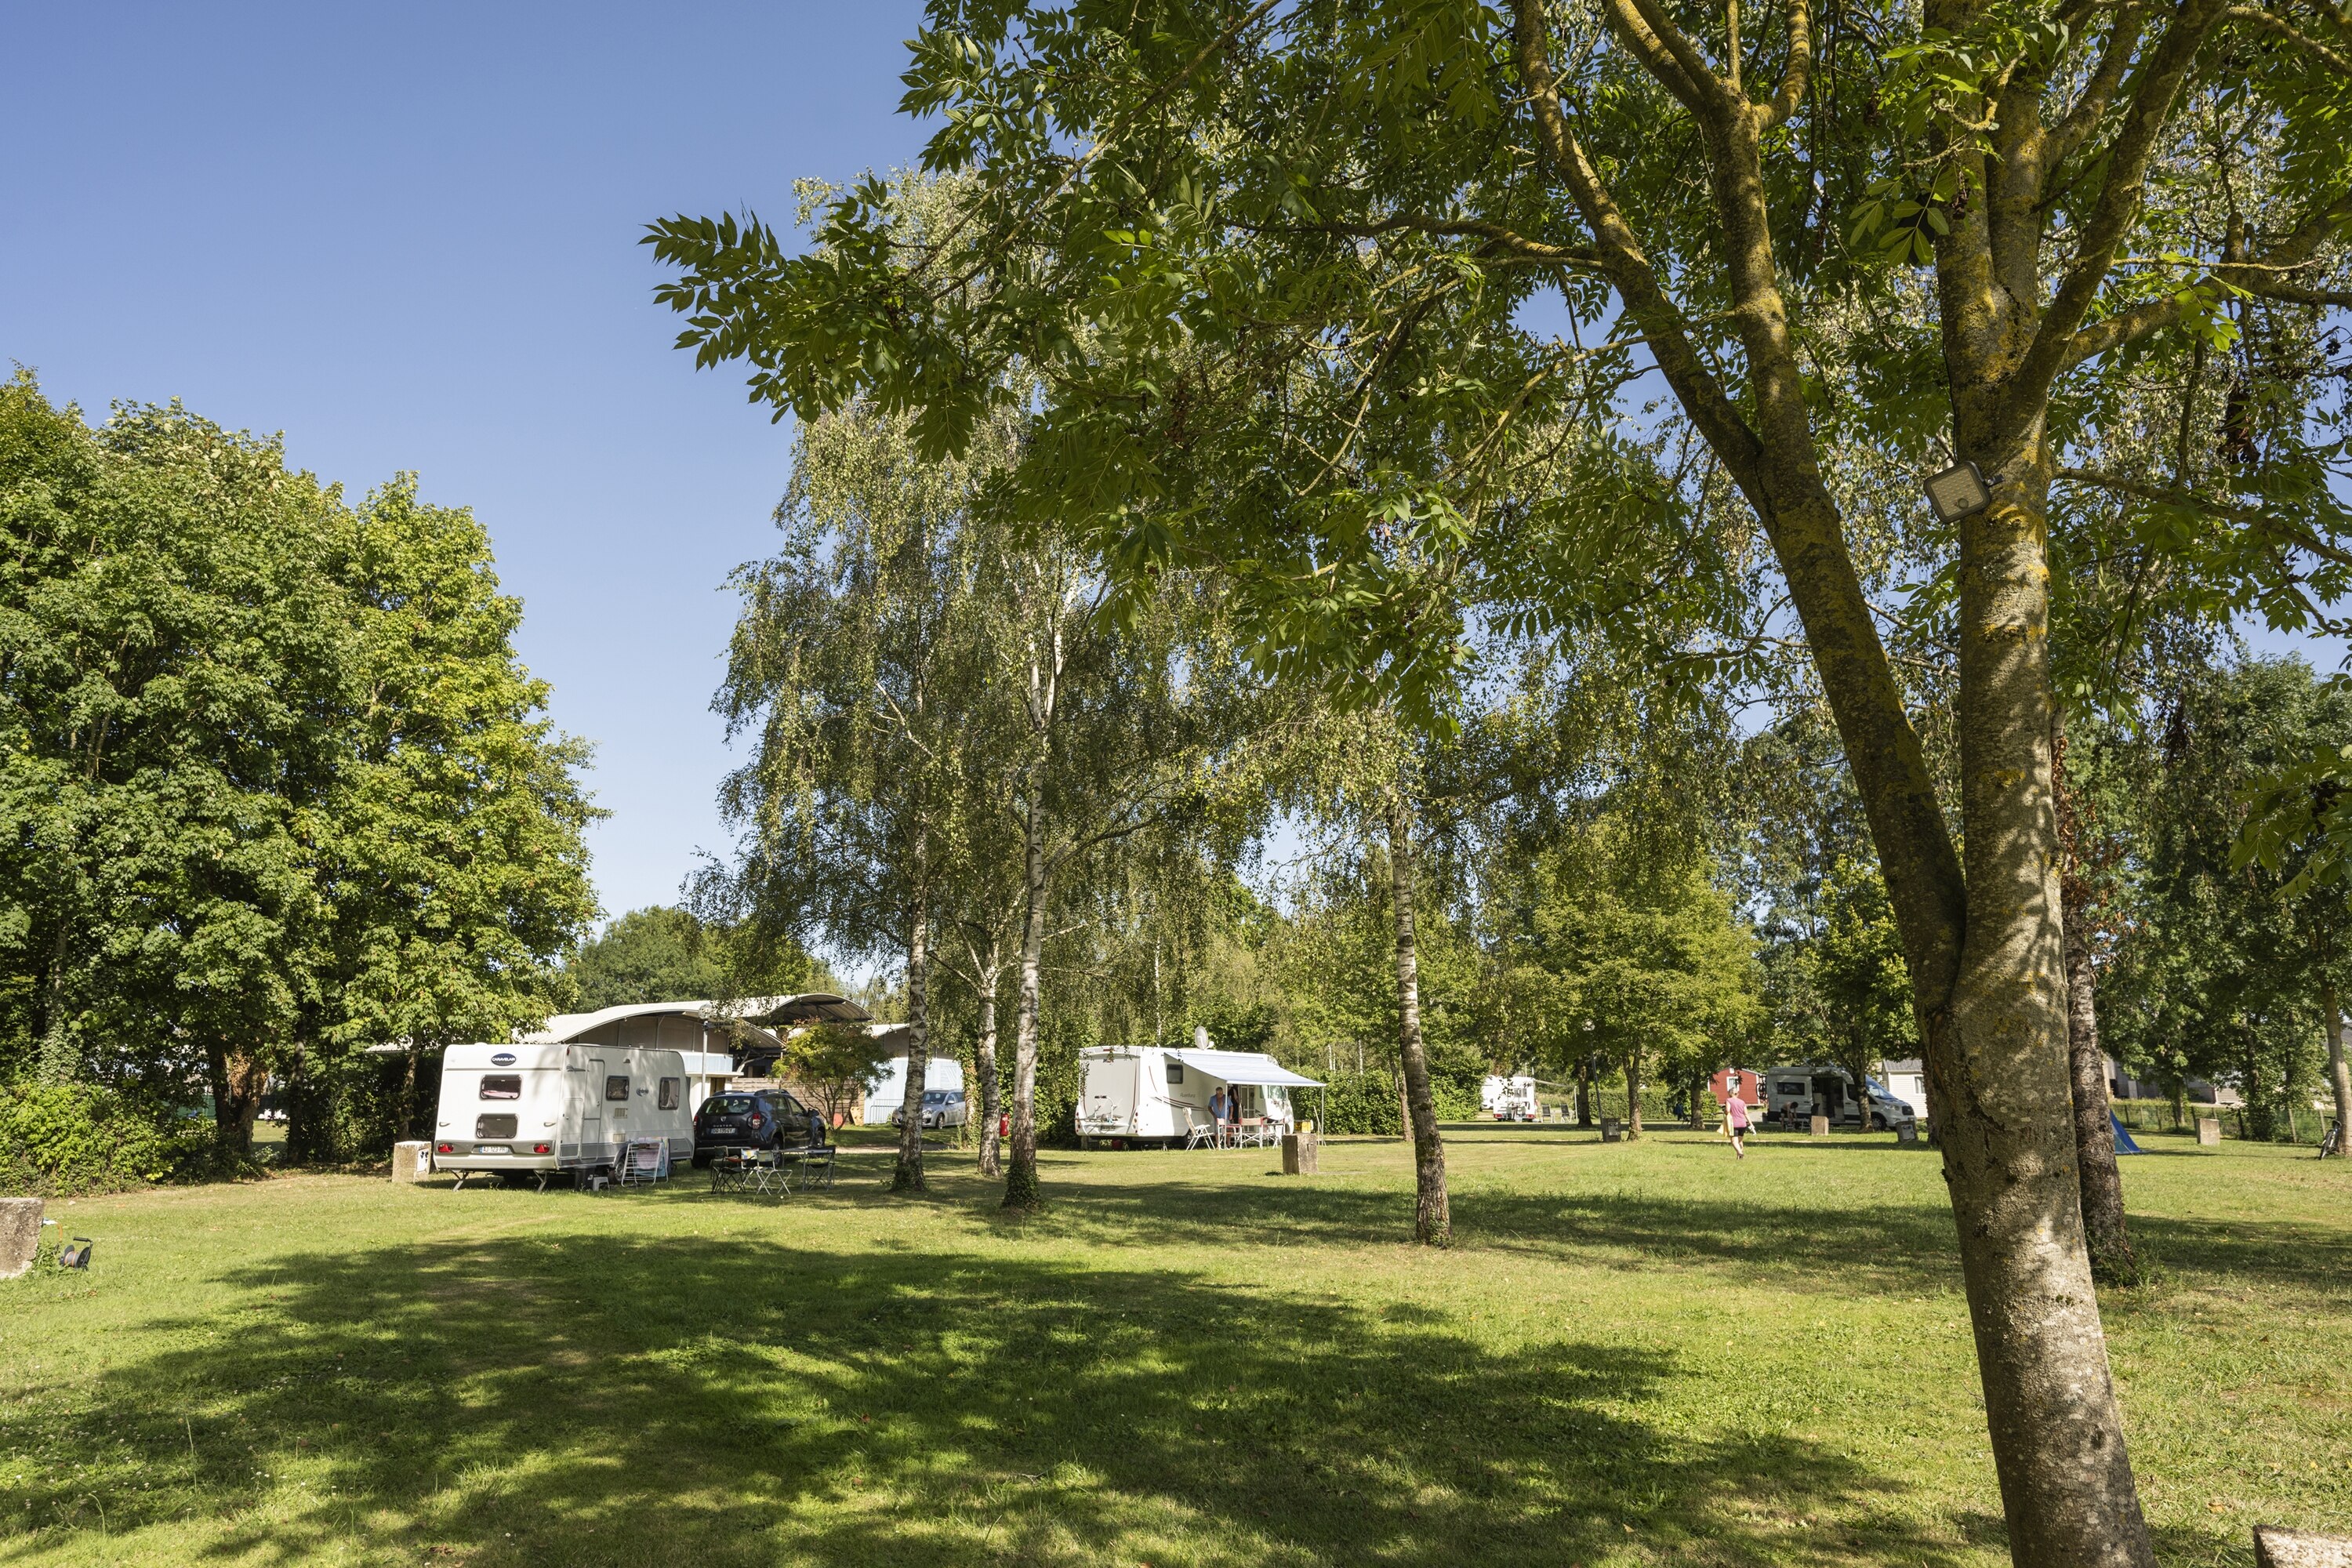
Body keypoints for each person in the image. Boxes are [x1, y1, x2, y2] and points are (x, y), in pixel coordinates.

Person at [1723, 1074, 1751, 1160]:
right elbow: (1746, 1113)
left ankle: (1740, 1153)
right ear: (1737, 1093)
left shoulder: (1728, 1100)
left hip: (1734, 1123)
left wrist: (1725, 1111)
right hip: (1743, 1123)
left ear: (1730, 1093)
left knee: (1734, 1141)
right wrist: (1751, 1123)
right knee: (1740, 1140)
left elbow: (1728, 1110)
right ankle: (1739, 1157)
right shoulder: (1742, 1102)